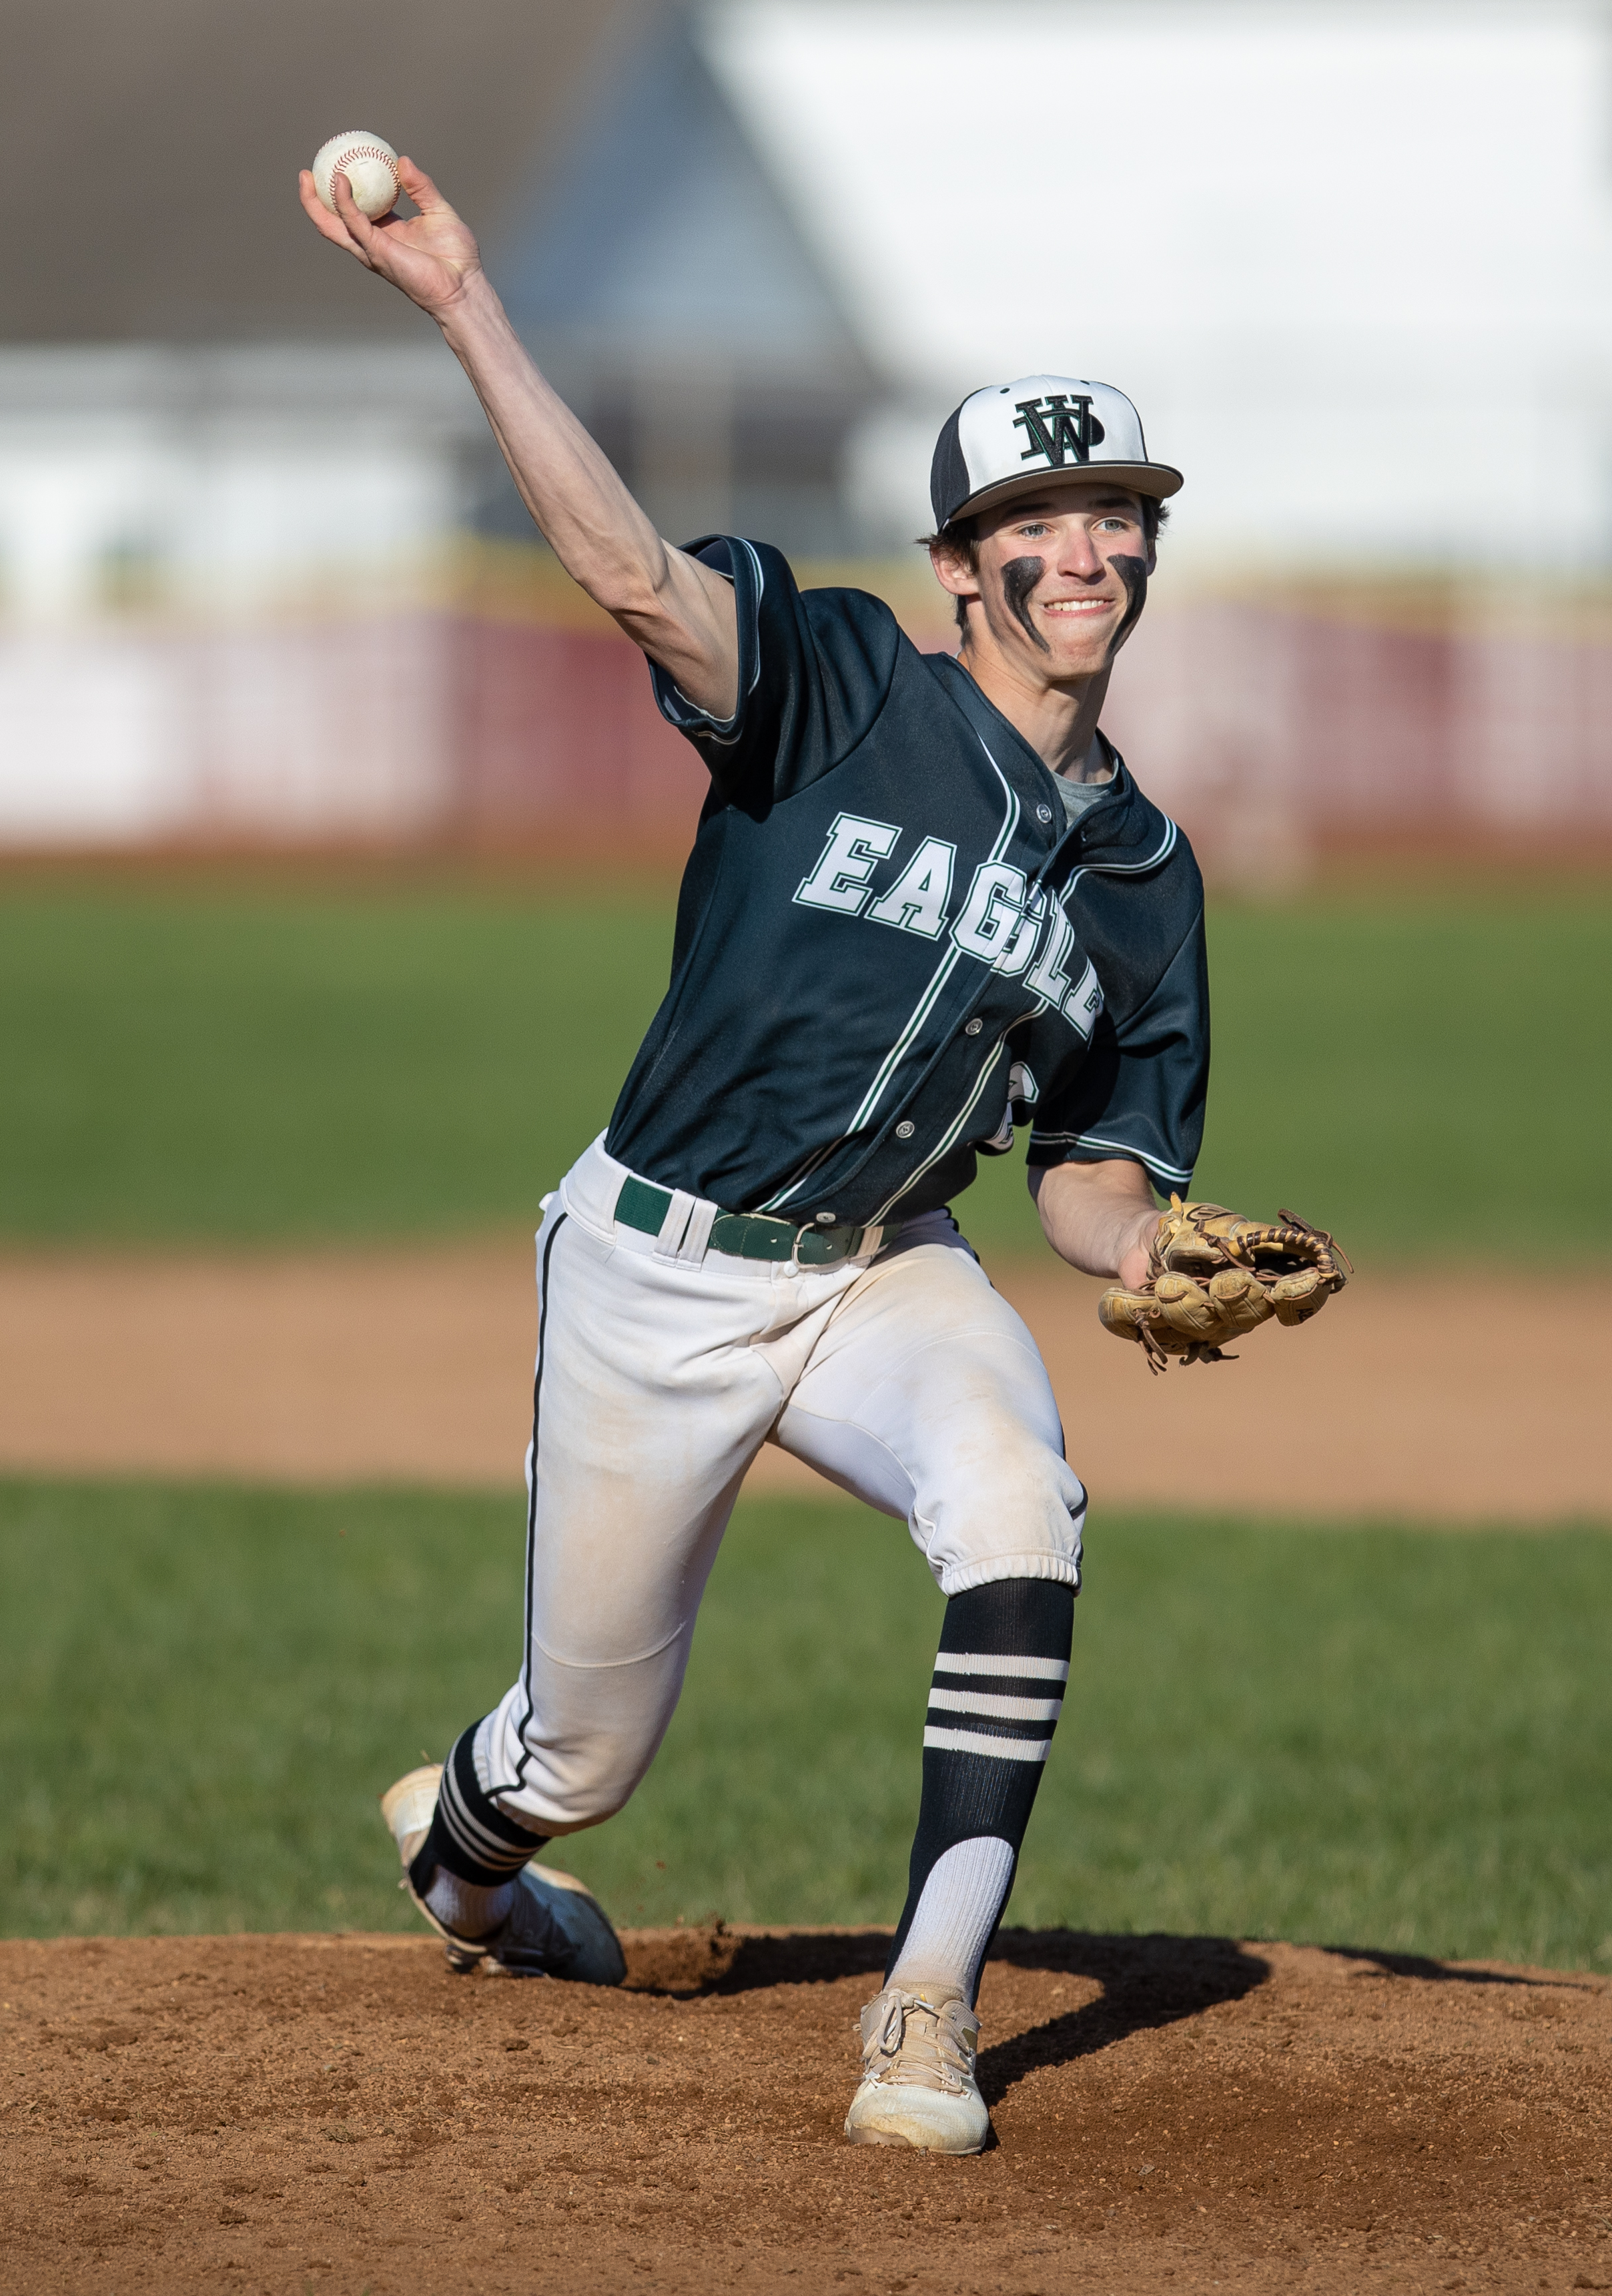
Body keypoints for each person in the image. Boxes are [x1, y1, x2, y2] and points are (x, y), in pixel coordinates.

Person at [302, 146, 1216, 2158]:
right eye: (1034, 519)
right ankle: (465, 1856)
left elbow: (1085, 1165)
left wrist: (1146, 1252)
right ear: (961, 561)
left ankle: (921, 2006)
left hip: (886, 1265)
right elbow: (631, 572)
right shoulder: (835, 687)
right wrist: (466, 303)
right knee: (582, 1753)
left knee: (1022, 1507)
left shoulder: (1145, 876)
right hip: (655, 1266)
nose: (1082, 549)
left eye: (1114, 514)